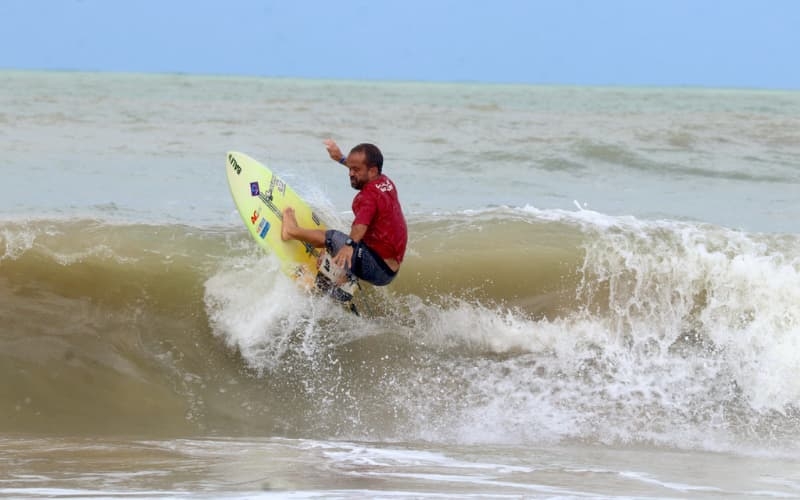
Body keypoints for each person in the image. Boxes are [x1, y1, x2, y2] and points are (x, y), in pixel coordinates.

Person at [281, 140, 407, 286]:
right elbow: (362, 168)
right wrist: (340, 158)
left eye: (355, 170)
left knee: (334, 237)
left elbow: (361, 225)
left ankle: (290, 231)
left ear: (372, 171)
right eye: (350, 168)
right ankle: (343, 277)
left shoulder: (368, 197)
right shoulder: (385, 182)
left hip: (377, 268)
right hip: (389, 269)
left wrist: (348, 246)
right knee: (358, 241)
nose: (351, 173)